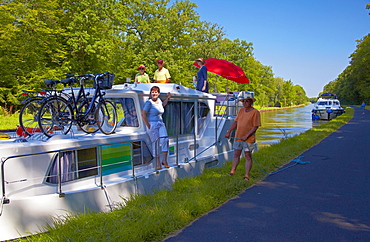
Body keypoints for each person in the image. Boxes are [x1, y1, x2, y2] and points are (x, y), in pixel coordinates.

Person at [225, 93, 261, 181]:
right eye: (243, 101)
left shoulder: (255, 112)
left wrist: (246, 136)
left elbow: (255, 126)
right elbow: (235, 122)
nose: (244, 103)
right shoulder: (241, 111)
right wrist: (229, 132)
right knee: (236, 154)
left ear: (251, 102)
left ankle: (246, 175)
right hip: (238, 137)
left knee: (247, 156)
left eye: (247, 101)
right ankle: (232, 171)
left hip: (248, 139)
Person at [142, 86, 172, 170]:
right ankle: (158, 163)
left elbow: (162, 105)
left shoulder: (159, 101)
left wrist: (168, 98)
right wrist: (148, 125)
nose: (154, 93)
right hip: (152, 124)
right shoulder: (149, 103)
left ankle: (164, 161)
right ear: (150, 93)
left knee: (165, 140)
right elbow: (143, 114)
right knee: (155, 143)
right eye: (152, 92)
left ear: (158, 93)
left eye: (155, 92)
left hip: (160, 123)